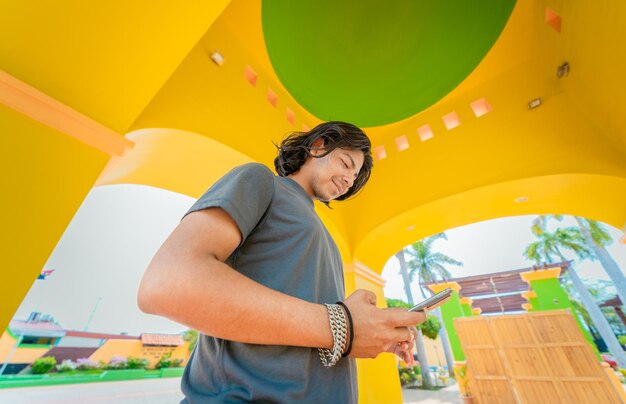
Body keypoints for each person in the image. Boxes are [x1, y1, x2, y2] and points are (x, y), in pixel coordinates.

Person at [137, 121, 426, 403]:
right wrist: (343, 326)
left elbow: (318, 324)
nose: (348, 181)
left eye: (354, 178)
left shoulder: (323, 231)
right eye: (347, 164)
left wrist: (367, 332)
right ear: (318, 145)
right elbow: (167, 283)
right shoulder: (261, 182)